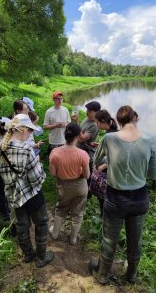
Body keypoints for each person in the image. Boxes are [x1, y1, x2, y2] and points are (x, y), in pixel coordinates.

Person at [89, 105, 156, 285]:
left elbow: (96, 161)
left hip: (115, 198)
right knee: (136, 240)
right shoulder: (150, 140)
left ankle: (102, 275)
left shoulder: (109, 138)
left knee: (109, 239)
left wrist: (111, 162)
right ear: (136, 118)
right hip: (139, 198)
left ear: (117, 121)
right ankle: (131, 276)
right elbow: (152, 174)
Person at [0, 114, 54, 267]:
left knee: (22, 226)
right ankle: (41, 257)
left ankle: (28, 254)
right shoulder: (26, 150)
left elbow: (3, 175)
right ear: (21, 129)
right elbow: (37, 179)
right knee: (41, 223)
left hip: (13, 195)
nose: (30, 133)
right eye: (29, 130)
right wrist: (40, 167)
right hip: (31, 195)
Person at [49, 122, 90, 244]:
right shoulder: (83, 154)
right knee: (78, 212)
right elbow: (87, 176)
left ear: (64, 134)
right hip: (80, 186)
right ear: (78, 136)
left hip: (63, 187)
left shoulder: (55, 153)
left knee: (61, 208)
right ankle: (73, 238)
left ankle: (55, 233)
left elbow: (52, 173)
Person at [89, 110, 118, 216]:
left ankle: (105, 216)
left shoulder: (111, 135)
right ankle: (104, 214)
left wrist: (104, 165)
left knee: (104, 196)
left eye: (97, 122)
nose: (96, 125)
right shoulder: (111, 131)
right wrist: (100, 146)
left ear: (102, 121)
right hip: (108, 170)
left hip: (108, 172)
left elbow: (118, 156)